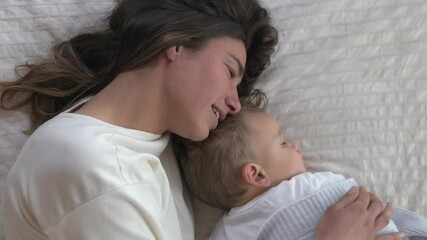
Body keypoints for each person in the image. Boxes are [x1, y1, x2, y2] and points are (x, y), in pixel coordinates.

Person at [0, 0, 400, 239]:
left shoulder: (140, 143)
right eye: (230, 70)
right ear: (174, 43)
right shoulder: (93, 169)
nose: (234, 104)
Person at [178, 91, 427, 240]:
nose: (295, 145)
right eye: (283, 143)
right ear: (256, 173)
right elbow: (369, 208)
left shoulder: (227, 233)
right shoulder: (309, 186)